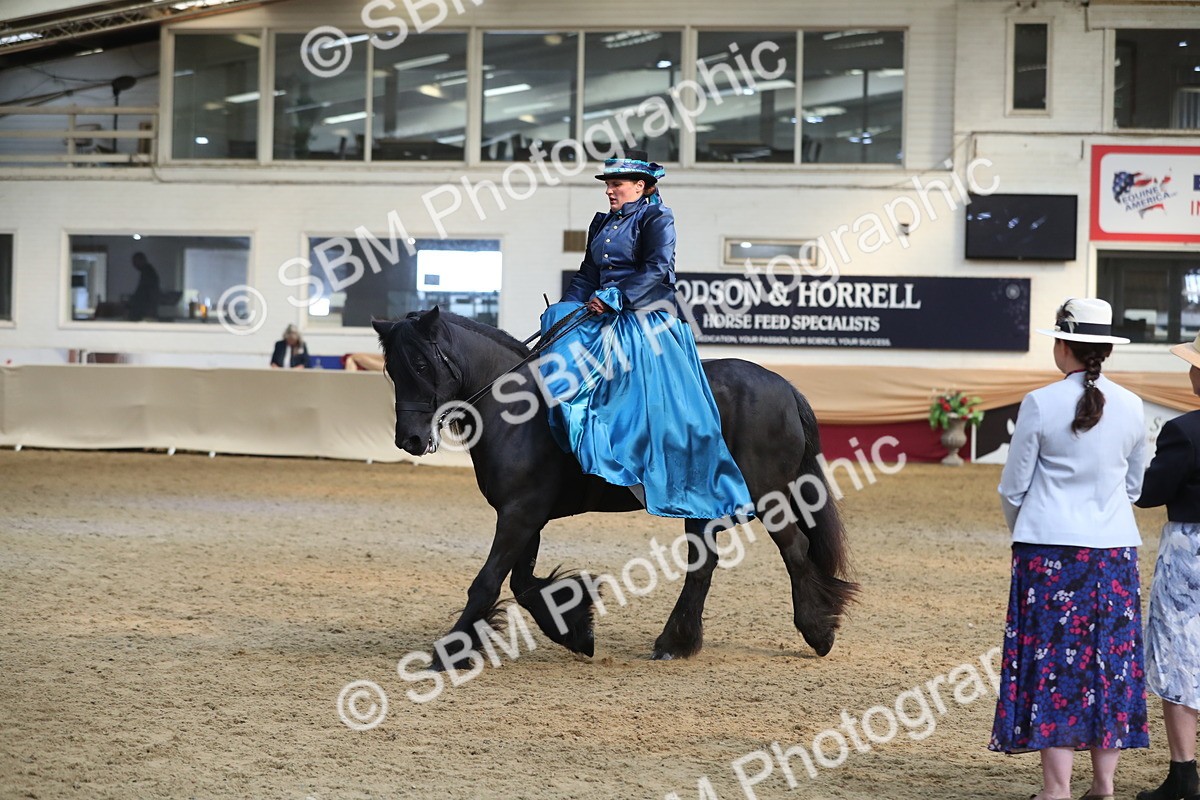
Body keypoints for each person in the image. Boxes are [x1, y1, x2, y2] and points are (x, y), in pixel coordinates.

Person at [990, 297, 1149, 800]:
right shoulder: (1133, 405)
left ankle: (1056, 789)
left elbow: (1013, 490)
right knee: (1111, 664)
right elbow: (1135, 488)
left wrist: (1029, 528)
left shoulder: (1039, 402)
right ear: (1105, 348)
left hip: (1048, 553)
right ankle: (1104, 786)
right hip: (1113, 552)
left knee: (1054, 665)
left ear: (1064, 346)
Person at [538, 149, 752, 520]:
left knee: (630, 382)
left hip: (643, 316)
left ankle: (639, 457)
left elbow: (658, 270)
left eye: (616, 184)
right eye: (607, 184)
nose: (609, 190)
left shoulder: (657, 218)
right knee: (556, 338)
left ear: (640, 186)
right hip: (600, 312)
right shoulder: (602, 224)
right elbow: (587, 274)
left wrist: (617, 296)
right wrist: (567, 309)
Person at [1134, 331, 1200, 800]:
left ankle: (1184, 775)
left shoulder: (1184, 431)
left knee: (1179, 656)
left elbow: (1149, 492)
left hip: (1189, 551)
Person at [127, 252, 160, 322]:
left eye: (135, 262)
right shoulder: (147, 271)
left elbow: (143, 292)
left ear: (141, 260)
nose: (134, 265)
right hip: (147, 308)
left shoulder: (148, 272)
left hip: (145, 310)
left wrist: (132, 302)